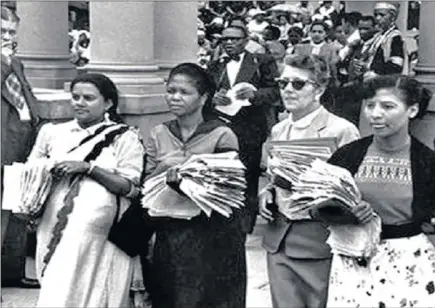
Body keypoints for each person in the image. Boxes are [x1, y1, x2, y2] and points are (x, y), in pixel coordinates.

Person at [28, 73, 147, 307]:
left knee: (88, 288)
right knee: (54, 281)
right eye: (75, 97)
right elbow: (31, 173)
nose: (79, 103)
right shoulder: (52, 132)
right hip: (52, 220)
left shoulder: (124, 137)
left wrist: (89, 168)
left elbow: (130, 188)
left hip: (98, 228)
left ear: (108, 103)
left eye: (89, 98)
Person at [325, 74, 435, 307]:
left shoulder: (427, 162)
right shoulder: (347, 156)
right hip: (351, 263)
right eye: (370, 106)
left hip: (408, 264)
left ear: (412, 110)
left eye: (388, 107)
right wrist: (345, 212)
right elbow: (315, 208)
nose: (375, 114)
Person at [259, 54, 360, 308]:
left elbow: (355, 191)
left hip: (318, 241)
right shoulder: (279, 129)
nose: (288, 90)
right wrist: (267, 193)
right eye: (283, 84)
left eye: (298, 84)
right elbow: (274, 177)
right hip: (279, 239)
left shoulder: (341, 130)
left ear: (320, 89)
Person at [144, 63, 247, 308]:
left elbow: (229, 187)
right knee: (170, 294)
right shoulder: (158, 132)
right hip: (170, 230)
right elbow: (145, 183)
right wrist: (163, 167)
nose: (175, 98)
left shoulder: (221, 134)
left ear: (203, 98)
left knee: (209, 297)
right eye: (171, 91)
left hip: (211, 232)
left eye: (184, 92)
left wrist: (190, 176)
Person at [206, 22, 281, 234]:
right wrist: (213, 98)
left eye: (235, 39)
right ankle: (221, 219)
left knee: (248, 176)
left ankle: (244, 224)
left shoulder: (260, 61)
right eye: (225, 39)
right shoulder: (215, 66)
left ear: (245, 41)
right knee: (221, 173)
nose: (229, 43)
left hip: (250, 128)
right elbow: (204, 94)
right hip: (220, 128)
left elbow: (276, 91)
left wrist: (255, 95)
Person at [1, 6, 42, 288]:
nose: (6, 37)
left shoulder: (14, 61)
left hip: (20, 140)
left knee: (14, 208)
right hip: (3, 142)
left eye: (11, 32)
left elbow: (26, 97)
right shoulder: (5, 61)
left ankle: (11, 272)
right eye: (1, 32)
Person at [355, 1, 408, 79]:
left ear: (392, 17)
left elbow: (396, 66)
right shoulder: (378, 36)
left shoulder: (395, 37)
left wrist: (368, 67)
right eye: (376, 15)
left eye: (382, 15)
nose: (377, 18)